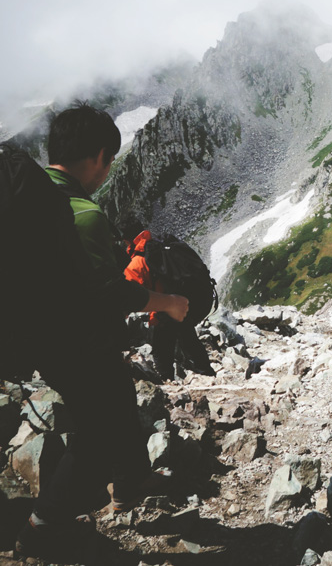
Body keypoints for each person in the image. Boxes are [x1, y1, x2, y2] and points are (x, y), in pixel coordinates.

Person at [15, 103, 189, 557]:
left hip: (43, 338)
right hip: (77, 345)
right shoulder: (81, 213)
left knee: (119, 396)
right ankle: (42, 528)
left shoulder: (29, 198)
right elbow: (111, 293)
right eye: (109, 160)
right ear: (97, 157)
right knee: (98, 434)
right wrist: (169, 303)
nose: (108, 171)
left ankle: (131, 481)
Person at [124, 230, 215, 382]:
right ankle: (206, 372)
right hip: (187, 300)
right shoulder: (161, 246)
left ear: (127, 241)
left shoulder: (138, 262)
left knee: (161, 345)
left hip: (167, 308)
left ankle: (166, 380)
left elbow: (127, 294)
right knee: (187, 336)